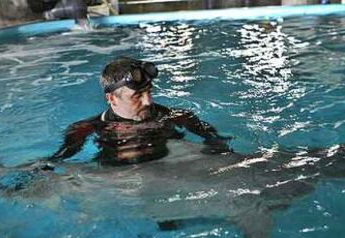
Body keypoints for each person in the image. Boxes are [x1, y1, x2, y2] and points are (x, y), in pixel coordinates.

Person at [49, 57, 232, 166]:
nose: (148, 101)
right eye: (137, 96)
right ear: (111, 98)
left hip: (174, 169)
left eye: (149, 91)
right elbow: (54, 162)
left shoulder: (176, 116)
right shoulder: (84, 129)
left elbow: (217, 143)